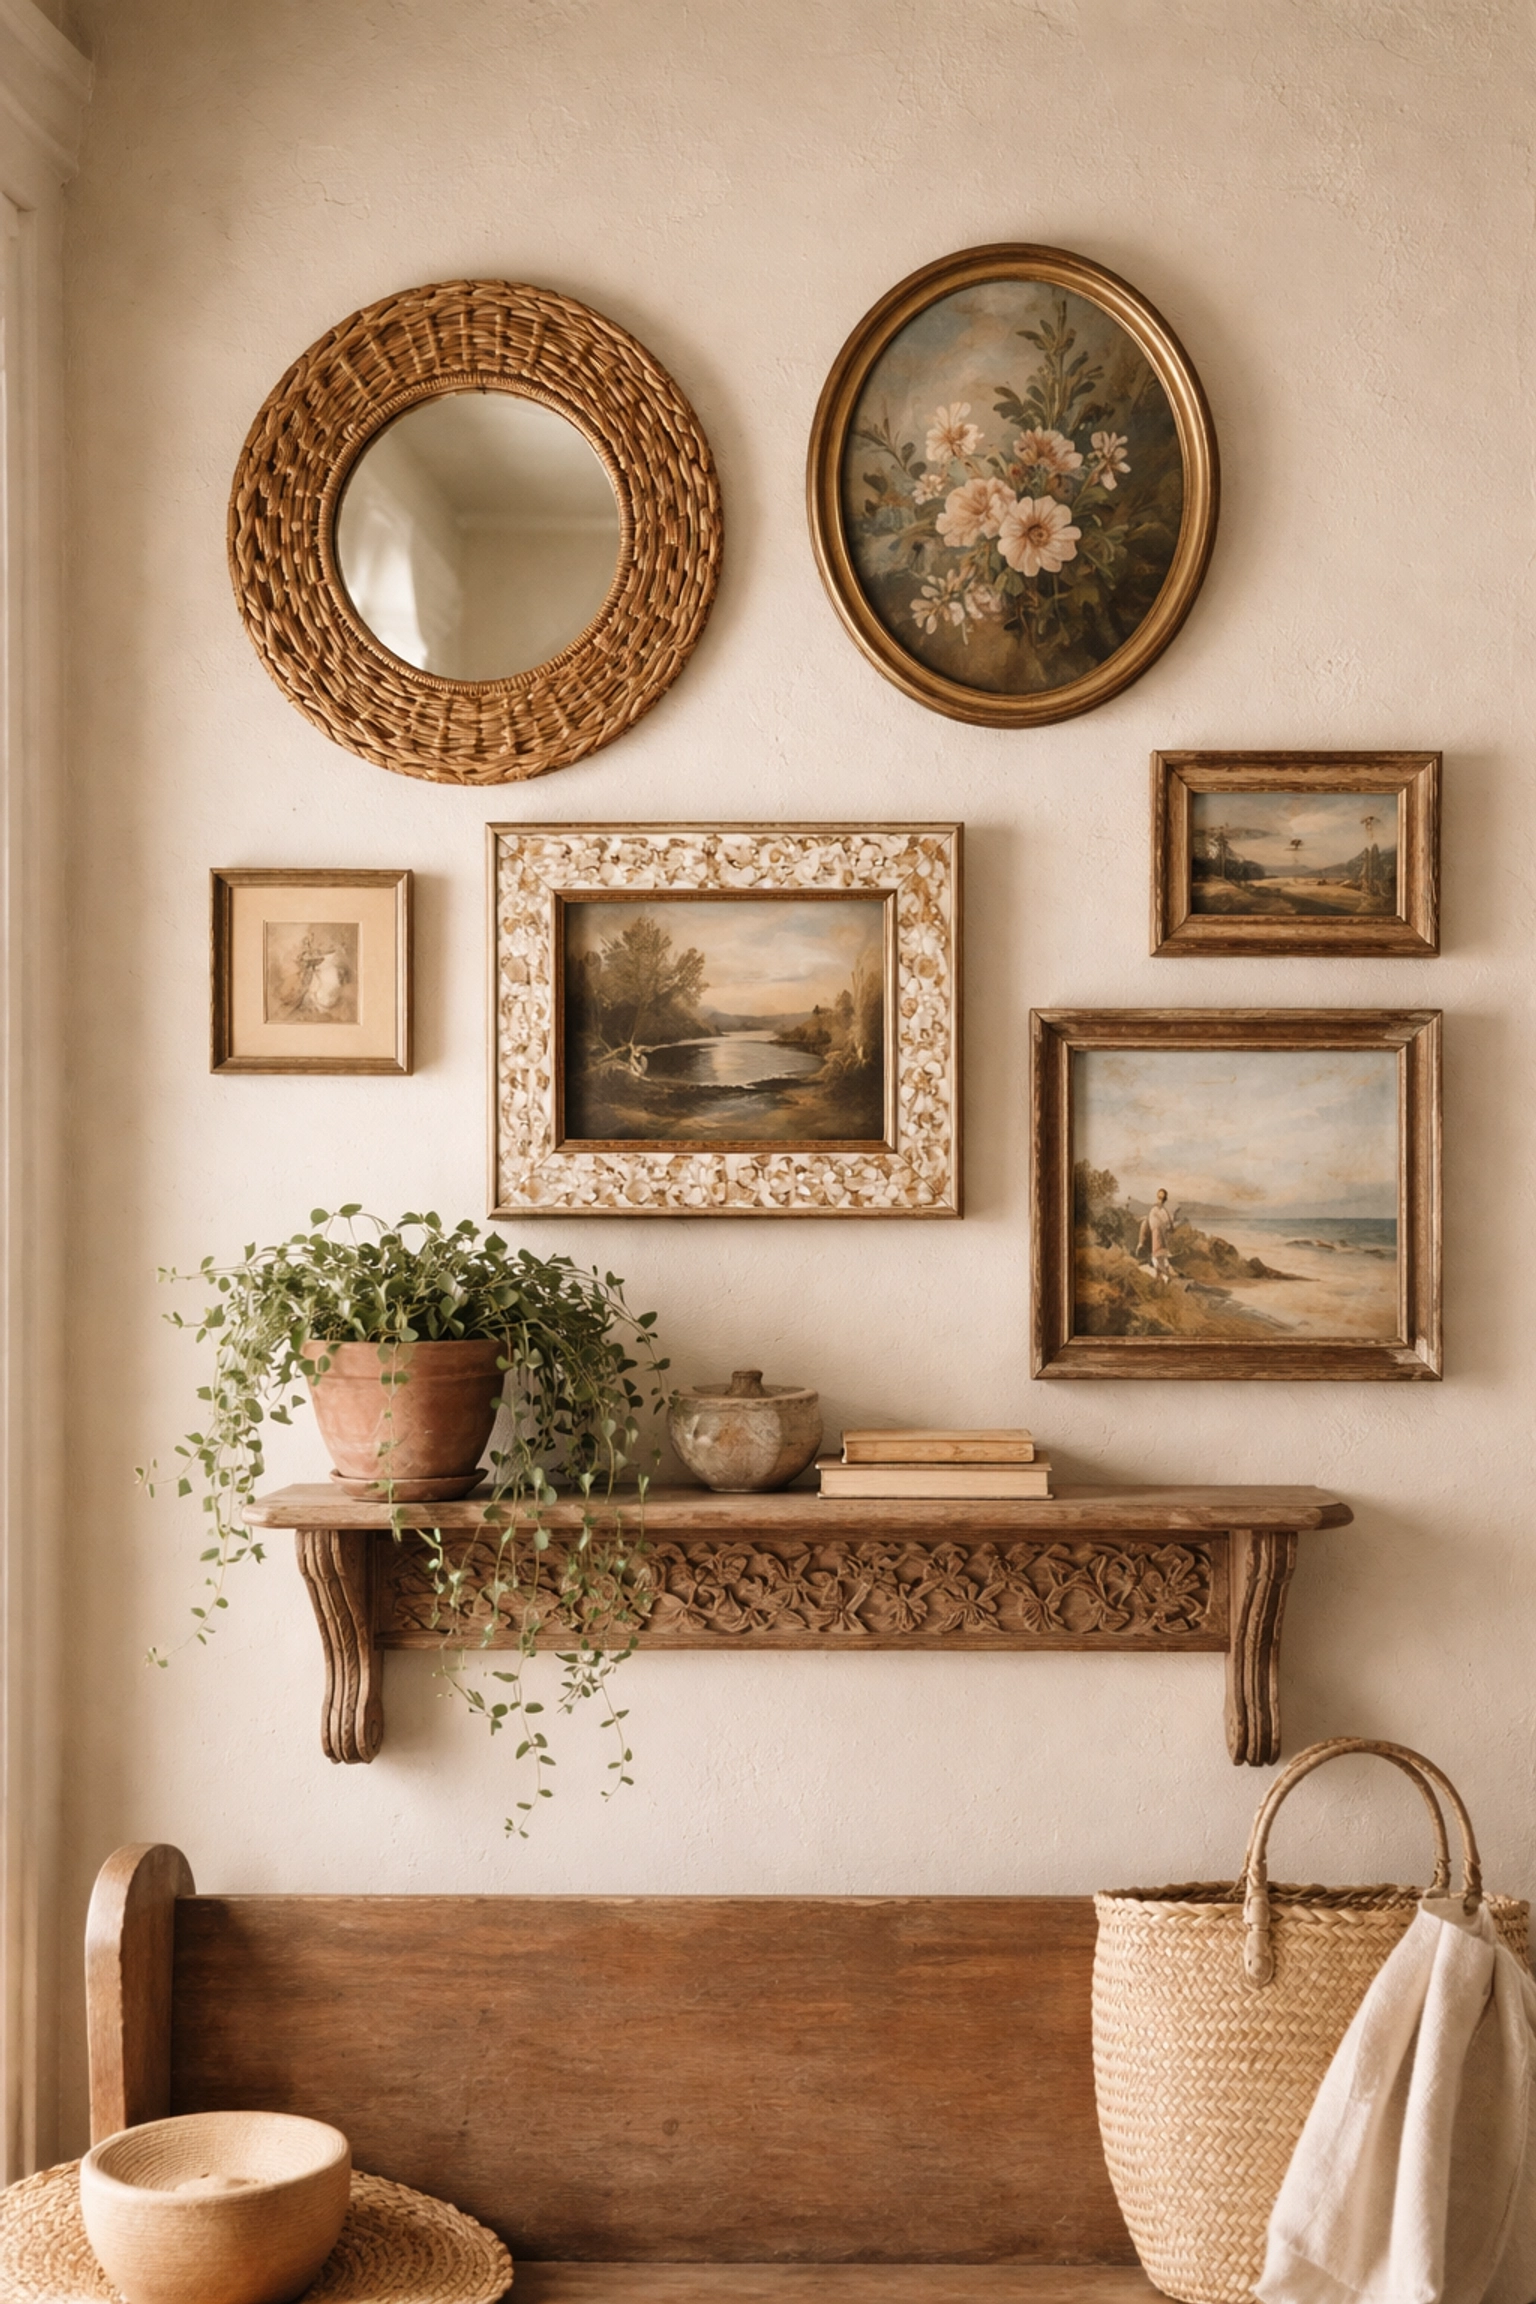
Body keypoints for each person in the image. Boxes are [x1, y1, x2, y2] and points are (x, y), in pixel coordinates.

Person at [1136, 1188, 1176, 1281]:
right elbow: (1170, 1226)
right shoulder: (1164, 1212)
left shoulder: (1155, 1210)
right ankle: (1164, 1277)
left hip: (1157, 1236)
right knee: (1162, 1257)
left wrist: (1142, 1241)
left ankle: (1165, 1277)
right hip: (1162, 1238)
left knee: (1156, 1257)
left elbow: (1150, 1225)